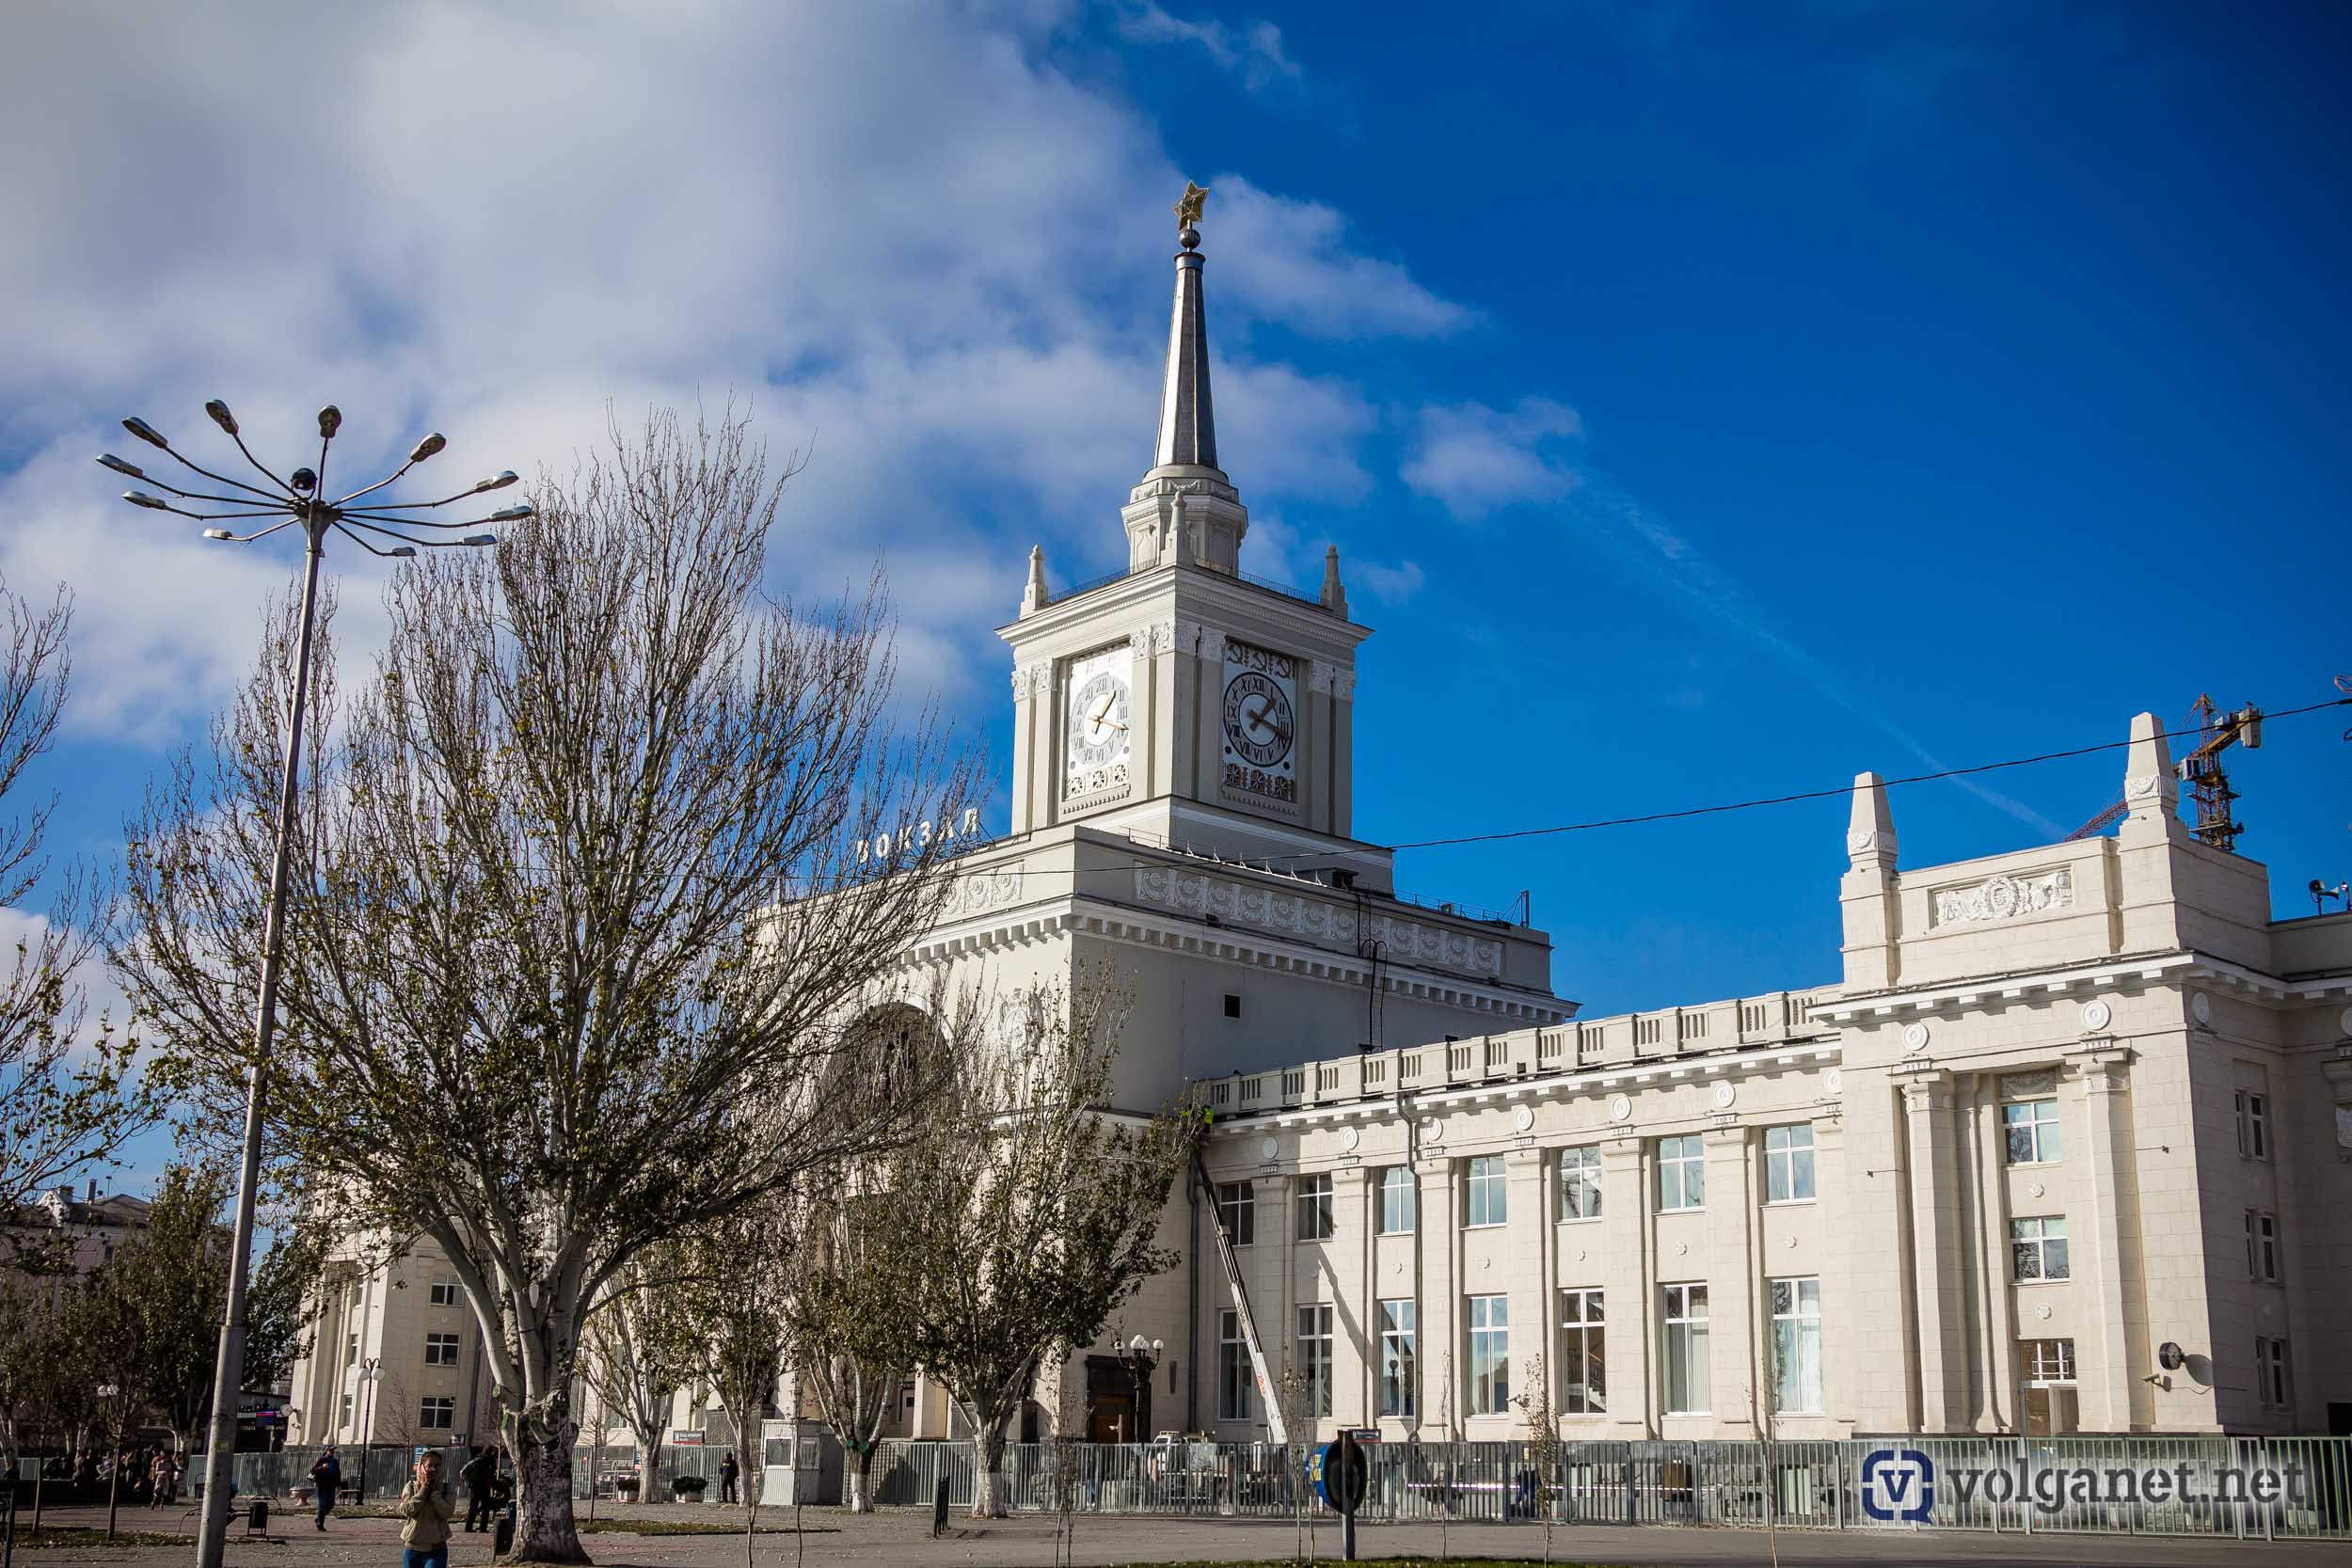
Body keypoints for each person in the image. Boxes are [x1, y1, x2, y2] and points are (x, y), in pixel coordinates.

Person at [397, 1451, 455, 1568]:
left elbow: (447, 1513)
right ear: (422, 1467)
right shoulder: (411, 1487)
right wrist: (423, 1491)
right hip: (412, 1550)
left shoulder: (446, 1489)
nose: (433, 1469)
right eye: (430, 1465)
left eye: (437, 1465)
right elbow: (407, 1510)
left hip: (436, 1551)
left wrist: (435, 1494)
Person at [460, 1445, 495, 1533]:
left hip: (474, 1486)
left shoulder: (477, 1459)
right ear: (491, 1451)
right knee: (485, 1508)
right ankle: (483, 1527)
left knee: (473, 1508)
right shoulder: (491, 1460)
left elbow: (463, 1471)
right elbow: (491, 1474)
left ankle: (468, 1527)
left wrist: (466, 1481)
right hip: (485, 1487)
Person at [310, 1445, 342, 1530]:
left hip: (331, 1486)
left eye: (333, 1450)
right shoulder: (322, 1460)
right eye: (330, 1450)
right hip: (322, 1486)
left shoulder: (335, 1462)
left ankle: (318, 1518)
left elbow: (338, 1474)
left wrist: (339, 1485)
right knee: (322, 1505)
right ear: (326, 1451)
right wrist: (322, 1467)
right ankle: (320, 1524)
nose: (332, 1451)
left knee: (331, 1505)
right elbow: (313, 1471)